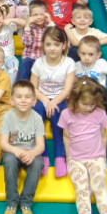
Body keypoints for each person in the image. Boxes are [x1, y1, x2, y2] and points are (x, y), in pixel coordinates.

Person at [58, 77, 107, 214]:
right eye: (85, 104)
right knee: (82, 188)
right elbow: (66, 137)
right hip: (76, 160)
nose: (89, 108)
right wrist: (69, 157)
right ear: (74, 100)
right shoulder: (67, 114)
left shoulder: (100, 113)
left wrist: (103, 156)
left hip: (96, 157)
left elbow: (103, 135)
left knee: (100, 185)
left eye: (92, 104)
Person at [31, 26, 76, 177]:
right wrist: (46, 100)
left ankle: (60, 157)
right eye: (48, 44)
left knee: (60, 117)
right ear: (43, 45)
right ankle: (43, 155)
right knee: (36, 115)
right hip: (42, 97)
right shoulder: (39, 63)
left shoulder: (69, 63)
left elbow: (68, 89)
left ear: (64, 45)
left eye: (56, 44)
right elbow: (33, 87)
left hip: (60, 98)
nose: (52, 48)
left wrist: (54, 102)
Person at [1, 80, 45, 214]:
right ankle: (12, 203)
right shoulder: (8, 117)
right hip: (14, 152)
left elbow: (41, 146)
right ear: (12, 100)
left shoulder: (37, 119)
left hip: (31, 153)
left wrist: (32, 153)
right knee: (9, 160)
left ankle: (26, 203)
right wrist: (16, 151)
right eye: (19, 97)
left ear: (34, 101)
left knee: (38, 163)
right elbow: (3, 143)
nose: (23, 100)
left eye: (27, 97)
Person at [18, 0, 54, 81]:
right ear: (30, 16)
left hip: (44, 58)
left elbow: (55, 37)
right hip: (30, 57)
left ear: (46, 14)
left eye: (42, 14)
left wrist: (50, 21)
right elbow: (27, 42)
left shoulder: (48, 27)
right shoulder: (30, 27)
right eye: (35, 15)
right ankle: (23, 84)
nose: (39, 17)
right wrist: (27, 25)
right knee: (25, 63)